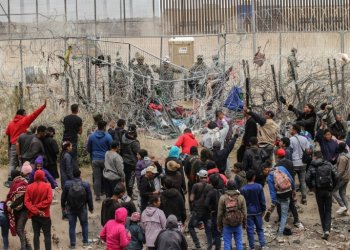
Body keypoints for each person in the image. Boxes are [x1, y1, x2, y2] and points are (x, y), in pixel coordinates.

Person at [5, 100, 46, 187]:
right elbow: (34, 114)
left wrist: (10, 145)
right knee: (22, 162)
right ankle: (22, 179)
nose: (27, 115)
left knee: (12, 162)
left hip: (13, 145)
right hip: (22, 144)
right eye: (25, 113)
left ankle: (10, 178)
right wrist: (43, 106)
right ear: (23, 114)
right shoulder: (24, 120)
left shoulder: (11, 123)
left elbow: (7, 133)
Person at [306, 151, 338, 240]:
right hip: (328, 190)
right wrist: (333, 187)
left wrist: (311, 187)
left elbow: (307, 178)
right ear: (322, 156)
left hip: (318, 190)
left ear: (315, 157)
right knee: (328, 210)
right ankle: (327, 230)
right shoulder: (328, 164)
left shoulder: (312, 165)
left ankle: (324, 230)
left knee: (321, 209)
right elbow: (336, 176)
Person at [61, 169, 93, 249]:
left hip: (71, 208)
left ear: (73, 175)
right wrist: (91, 208)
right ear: (80, 175)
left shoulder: (67, 184)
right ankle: (85, 242)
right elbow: (89, 197)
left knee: (72, 226)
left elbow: (63, 196)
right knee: (84, 224)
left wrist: (63, 206)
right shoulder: (85, 184)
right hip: (82, 208)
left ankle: (73, 245)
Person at [265, 164, 295, 243]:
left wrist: (273, 201)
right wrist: (294, 189)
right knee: (284, 216)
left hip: (278, 195)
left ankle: (272, 207)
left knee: (276, 203)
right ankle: (280, 235)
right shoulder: (282, 168)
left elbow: (272, 192)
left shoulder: (269, 177)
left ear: (266, 169)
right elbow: (291, 179)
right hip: (286, 194)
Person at [24, 170, 53, 250]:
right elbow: (49, 200)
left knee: (36, 235)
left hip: (34, 215)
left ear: (34, 176)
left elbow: (26, 202)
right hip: (45, 215)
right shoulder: (48, 186)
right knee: (47, 236)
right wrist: (39, 207)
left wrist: (35, 209)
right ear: (43, 176)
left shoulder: (29, 187)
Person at [275, 149, 303, 228]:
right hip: (289, 186)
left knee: (279, 204)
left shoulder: (277, 165)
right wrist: (293, 188)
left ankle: (281, 220)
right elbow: (292, 175)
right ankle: (296, 220)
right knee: (291, 203)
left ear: (277, 156)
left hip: (280, 188)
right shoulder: (290, 163)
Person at [5, 170, 31, 250]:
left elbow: (21, 198)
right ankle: (28, 246)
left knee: (19, 229)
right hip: (21, 210)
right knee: (21, 229)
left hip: (24, 210)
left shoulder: (19, 183)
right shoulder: (22, 182)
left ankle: (24, 248)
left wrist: (11, 206)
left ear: (13, 176)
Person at [217, 179, 247, 250]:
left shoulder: (223, 198)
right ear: (236, 187)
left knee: (227, 243)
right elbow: (244, 212)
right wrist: (244, 223)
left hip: (227, 224)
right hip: (238, 224)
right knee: (239, 242)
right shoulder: (241, 197)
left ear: (227, 187)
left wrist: (219, 225)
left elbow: (220, 214)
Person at [87, 120, 113, 201]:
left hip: (95, 160)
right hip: (105, 160)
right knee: (106, 177)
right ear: (104, 127)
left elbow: (88, 149)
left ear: (98, 126)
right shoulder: (108, 136)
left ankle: (97, 195)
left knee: (97, 178)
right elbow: (111, 148)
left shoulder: (91, 136)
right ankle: (107, 194)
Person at [240, 171, 266, 250]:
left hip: (248, 212)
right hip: (258, 211)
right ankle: (263, 245)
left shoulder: (243, 189)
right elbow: (262, 200)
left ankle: (252, 247)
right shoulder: (259, 186)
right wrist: (263, 209)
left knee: (250, 230)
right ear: (254, 177)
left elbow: (242, 202)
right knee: (260, 229)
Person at [188, 169, 213, 249]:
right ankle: (209, 245)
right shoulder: (210, 186)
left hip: (198, 211)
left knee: (191, 226)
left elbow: (191, 199)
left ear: (199, 177)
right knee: (208, 229)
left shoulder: (196, 185)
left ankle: (197, 244)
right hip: (207, 211)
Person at [290, 124, 311, 204]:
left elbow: (290, 151)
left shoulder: (291, 139)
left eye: (292, 129)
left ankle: (294, 198)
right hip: (303, 163)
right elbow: (308, 150)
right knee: (302, 181)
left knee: (292, 181)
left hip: (294, 163)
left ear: (295, 130)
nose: (291, 131)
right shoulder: (304, 139)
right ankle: (304, 198)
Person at [205, 173, 225, 250]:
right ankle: (218, 243)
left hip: (214, 214)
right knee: (220, 231)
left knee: (215, 232)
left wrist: (211, 210)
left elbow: (206, 204)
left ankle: (217, 246)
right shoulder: (223, 190)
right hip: (222, 214)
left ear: (211, 183)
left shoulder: (211, 192)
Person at [121, 124, 140, 197]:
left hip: (124, 161)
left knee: (126, 178)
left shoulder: (123, 137)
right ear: (134, 131)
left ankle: (127, 192)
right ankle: (129, 194)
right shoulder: (135, 143)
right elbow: (138, 153)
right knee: (131, 180)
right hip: (132, 163)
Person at [332, 143, 350, 215]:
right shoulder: (348, 155)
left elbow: (341, 170)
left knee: (334, 191)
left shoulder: (342, 157)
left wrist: (336, 178)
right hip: (347, 177)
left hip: (342, 177)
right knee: (342, 193)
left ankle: (342, 206)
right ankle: (346, 210)